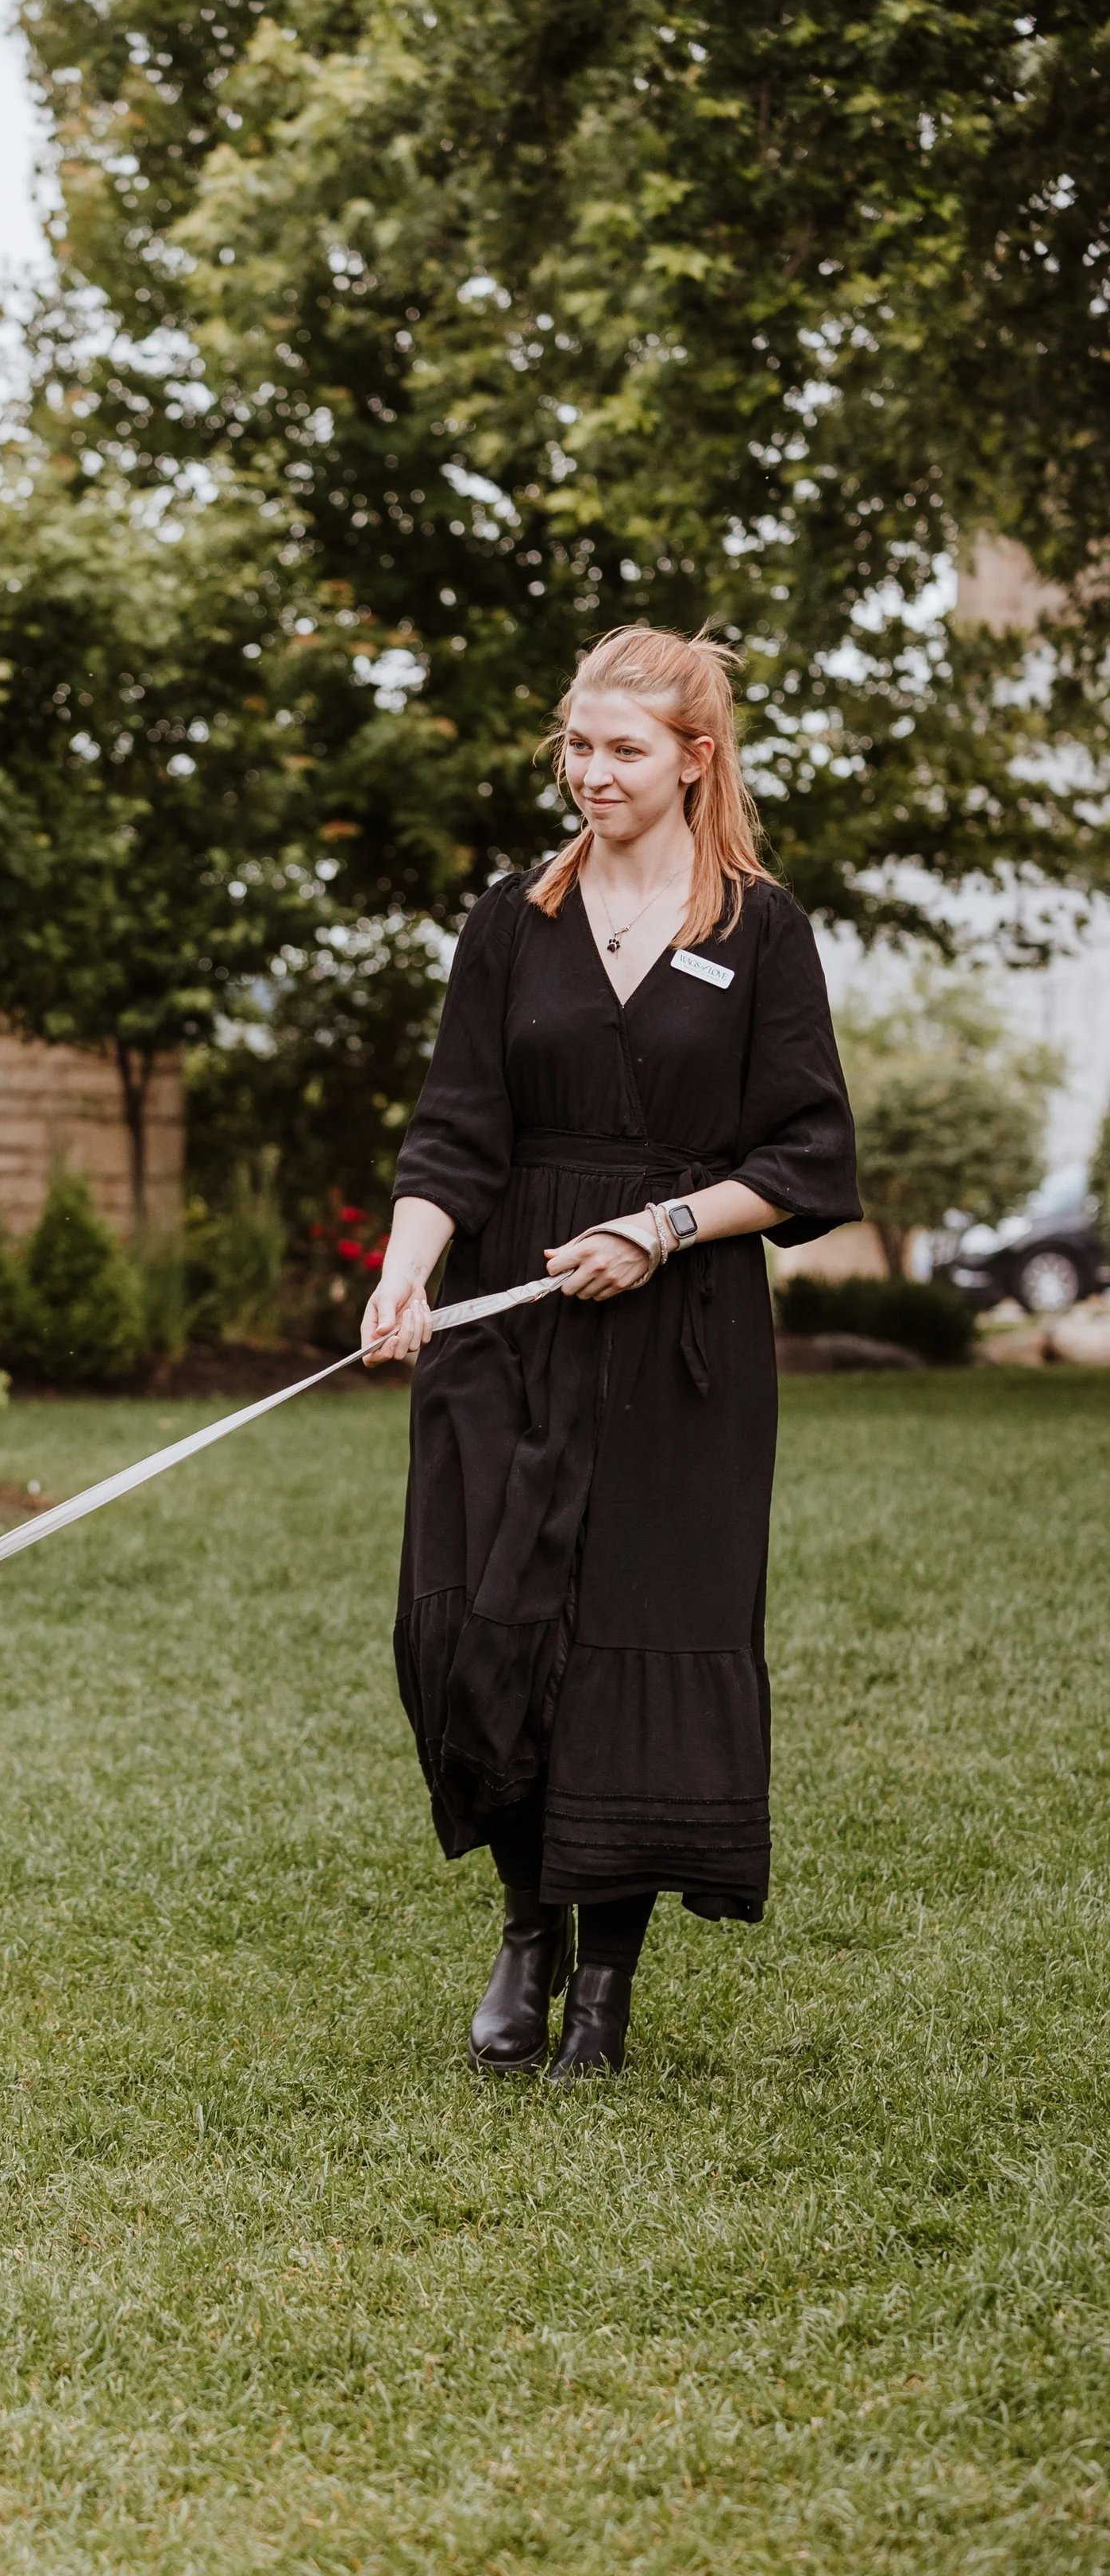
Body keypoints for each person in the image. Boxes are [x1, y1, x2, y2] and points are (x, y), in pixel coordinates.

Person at [361, 627, 860, 2083]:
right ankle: (529, 1923)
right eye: (576, 746)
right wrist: (404, 1272)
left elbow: (810, 1159)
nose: (591, 774)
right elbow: (454, 1130)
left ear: (695, 759)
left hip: (678, 1335)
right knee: (477, 1621)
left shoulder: (759, 930)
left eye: (623, 749)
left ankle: (603, 1983)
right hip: (511, 1313)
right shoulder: (511, 921)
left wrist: (662, 1226)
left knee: (633, 1635)